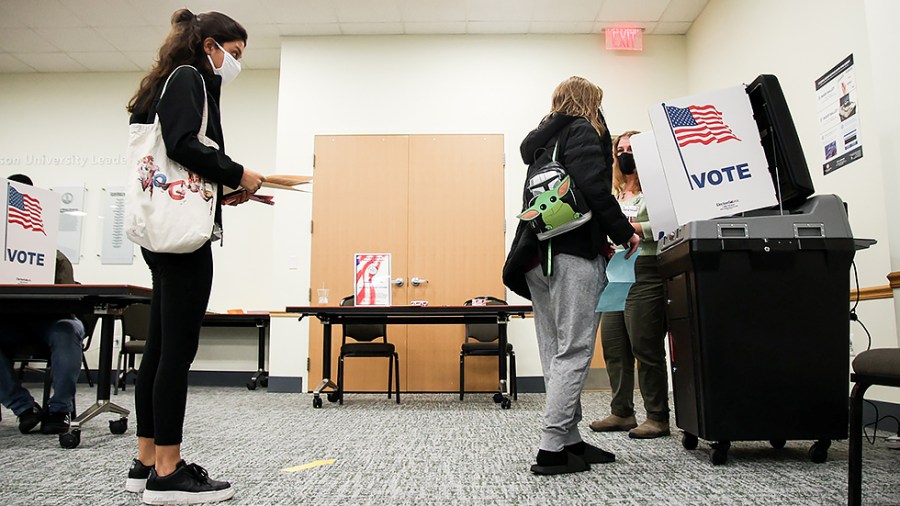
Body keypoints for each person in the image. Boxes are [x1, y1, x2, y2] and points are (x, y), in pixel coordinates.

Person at [125, 9, 265, 505]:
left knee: (161, 351)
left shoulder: (165, 79)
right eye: (235, 53)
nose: (235, 64)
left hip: (160, 232)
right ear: (210, 46)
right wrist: (238, 172)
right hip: (182, 241)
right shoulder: (189, 77)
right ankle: (168, 472)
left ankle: (145, 462)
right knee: (176, 354)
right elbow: (185, 144)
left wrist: (223, 188)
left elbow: (173, 155)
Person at [503, 77, 640, 475]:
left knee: (555, 352)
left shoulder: (543, 141)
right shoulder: (583, 130)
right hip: (573, 257)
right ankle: (551, 448)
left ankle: (571, 440)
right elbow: (596, 191)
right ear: (590, 102)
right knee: (575, 350)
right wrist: (623, 232)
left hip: (536, 258)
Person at [590, 131, 671, 439]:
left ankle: (657, 417)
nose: (625, 154)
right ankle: (622, 412)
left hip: (646, 270)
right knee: (613, 345)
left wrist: (627, 227)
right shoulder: (613, 193)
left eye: (631, 149)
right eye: (620, 149)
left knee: (645, 345)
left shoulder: (659, 191)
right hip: (616, 272)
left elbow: (668, 225)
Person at [0, 173, 86, 436]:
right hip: (9, 322)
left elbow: (66, 300)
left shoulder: (54, 257)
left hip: (49, 321)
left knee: (67, 330)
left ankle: (59, 410)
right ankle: (24, 408)